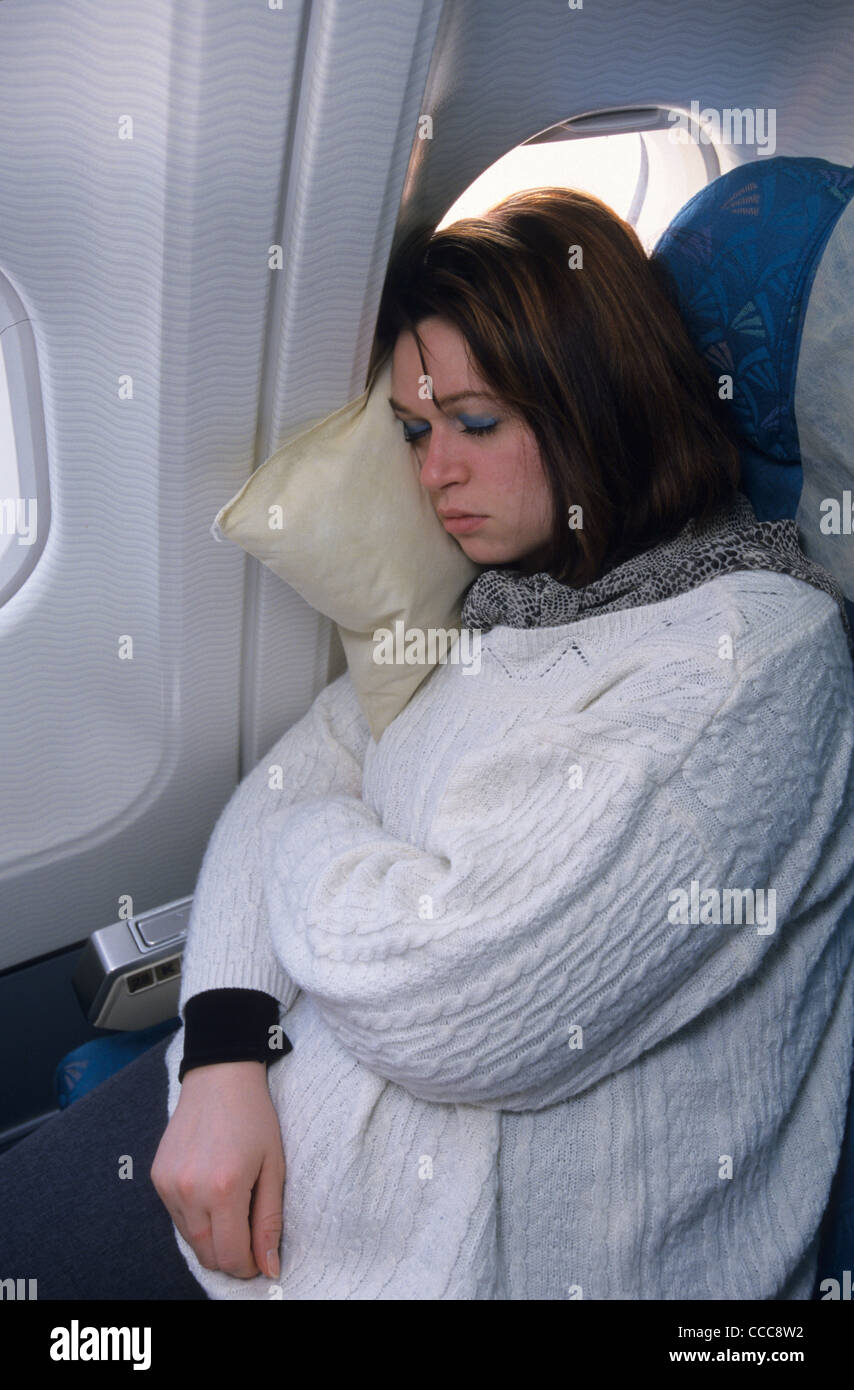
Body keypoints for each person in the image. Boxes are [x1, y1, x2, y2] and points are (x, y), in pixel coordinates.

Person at [1, 187, 853, 1300]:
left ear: (599, 397)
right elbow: (276, 789)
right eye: (413, 431)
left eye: (475, 422)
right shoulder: (511, 599)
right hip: (263, 1132)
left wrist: (321, 830)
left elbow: (455, 1000)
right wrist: (219, 1050)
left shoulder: (751, 661)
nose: (433, 472)